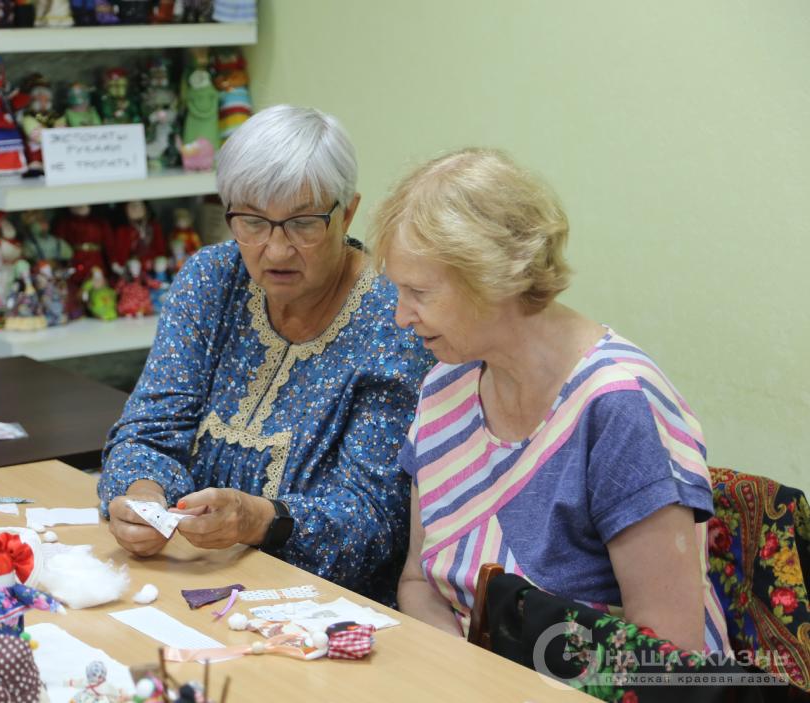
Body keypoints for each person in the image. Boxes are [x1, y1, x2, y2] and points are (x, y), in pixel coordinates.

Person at [372, 148, 729, 652]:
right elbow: (417, 583)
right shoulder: (444, 387)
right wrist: (462, 676)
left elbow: (668, 655)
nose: (401, 317)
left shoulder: (620, 406)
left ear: (494, 278)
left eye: (419, 292)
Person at [98, 105, 432, 605]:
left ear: (347, 212)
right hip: (182, 581)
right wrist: (144, 496)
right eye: (252, 221)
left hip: (322, 608)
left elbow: (374, 525)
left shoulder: (395, 321)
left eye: (302, 224)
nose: (275, 250)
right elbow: (148, 430)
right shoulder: (211, 279)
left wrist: (259, 520)